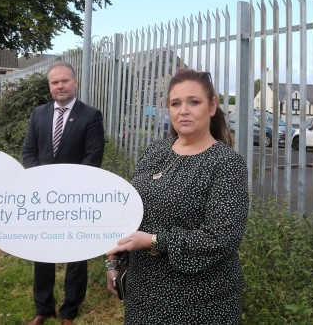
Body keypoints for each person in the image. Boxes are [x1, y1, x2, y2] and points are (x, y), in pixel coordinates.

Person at [106, 69, 249, 324]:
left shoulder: (226, 164)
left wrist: (153, 241)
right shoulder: (156, 151)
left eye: (193, 102)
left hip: (200, 301)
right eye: (176, 103)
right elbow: (132, 213)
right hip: (144, 294)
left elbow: (222, 238)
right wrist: (114, 262)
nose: (184, 110)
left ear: (212, 105)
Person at [22, 61, 106, 325]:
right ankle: (43, 308)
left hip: (76, 196)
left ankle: (70, 310)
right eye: (54, 82)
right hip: (43, 196)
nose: (60, 86)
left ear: (75, 82)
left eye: (64, 81)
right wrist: (42, 181)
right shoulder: (39, 113)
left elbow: (93, 158)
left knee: (75, 253)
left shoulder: (90, 116)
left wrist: (68, 187)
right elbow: (29, 152)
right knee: (43, 251)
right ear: (49, 86)